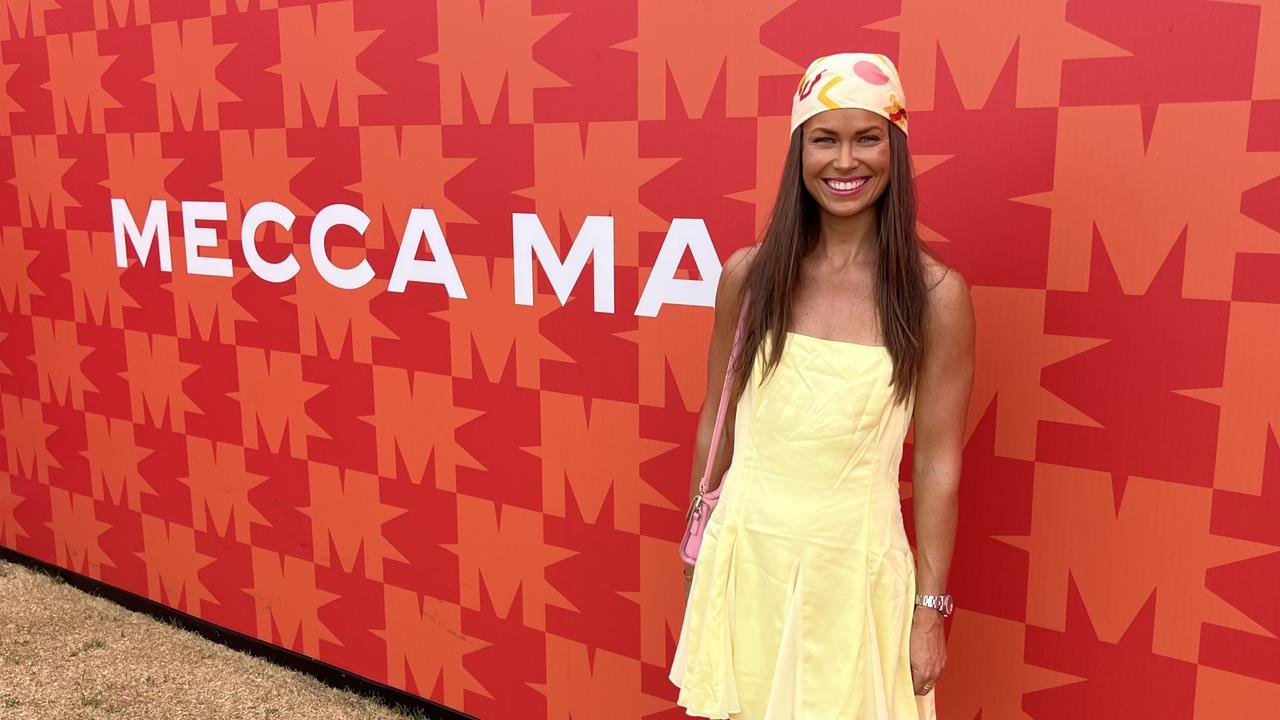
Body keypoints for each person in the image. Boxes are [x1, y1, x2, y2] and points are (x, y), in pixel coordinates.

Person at [669, 53, 974, 720]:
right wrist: (696, 550)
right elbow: (714, 422)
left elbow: (936, 462)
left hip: (854, 577)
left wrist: (929, 610)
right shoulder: (748, 277)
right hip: (747, 558)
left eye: (866, 137)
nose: (844, 162)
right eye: (823, 138)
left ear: (894, 148)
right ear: (797, 150)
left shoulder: (935, 296)